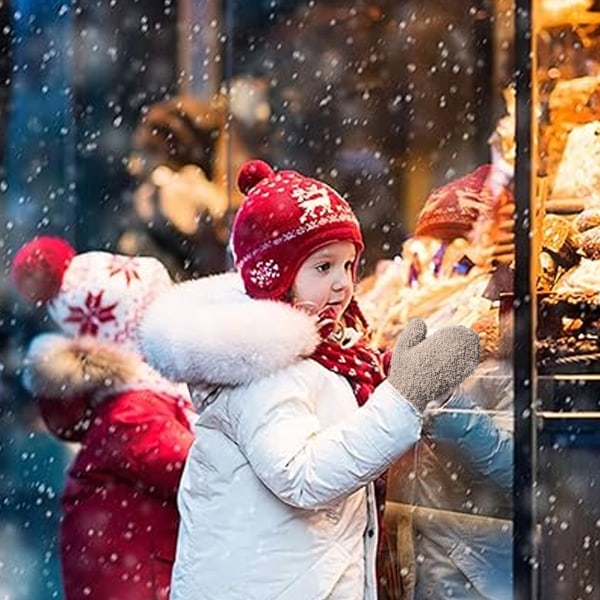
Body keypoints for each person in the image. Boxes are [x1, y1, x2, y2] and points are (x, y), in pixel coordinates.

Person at [139, 159, 481, 600]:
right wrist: (402, 397)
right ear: (276, 275)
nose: (342, 284)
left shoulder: (325, 353)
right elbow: (303, 476)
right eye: (323, 267)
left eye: (348, 265)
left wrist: (390, 377)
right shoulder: (262, 367)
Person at [10, 236, 196, 600]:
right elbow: (199, 468)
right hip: (140, 578)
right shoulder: (135, 410)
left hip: (134, 570)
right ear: (139, 334)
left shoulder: (135, 403)